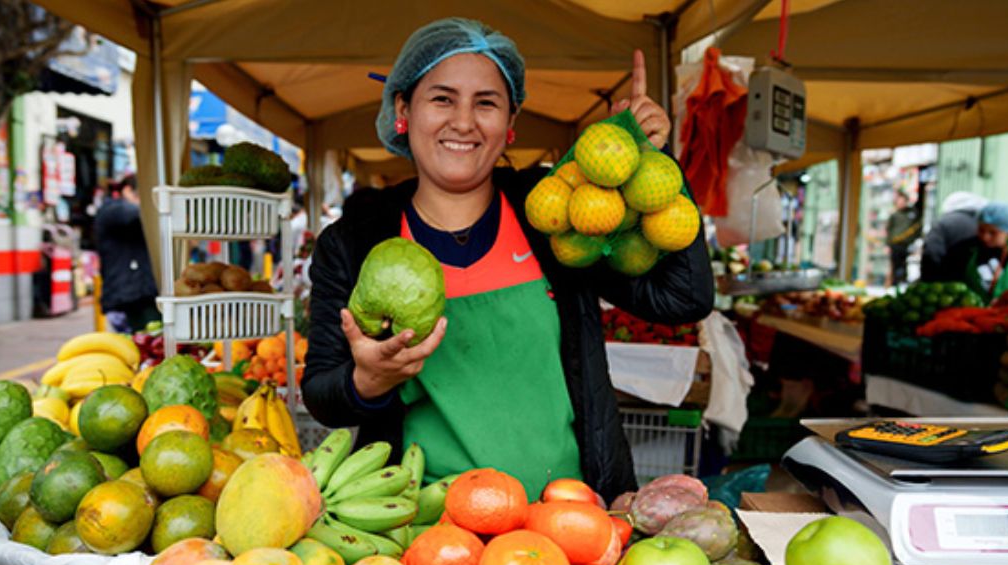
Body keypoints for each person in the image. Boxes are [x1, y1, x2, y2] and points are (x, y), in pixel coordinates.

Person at [302, 18, 714, 502]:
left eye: (486, 103)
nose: (463, 121)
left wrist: (658, 168)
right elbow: (322, 393)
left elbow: (683, 297)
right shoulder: (355, 241)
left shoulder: (553, 215)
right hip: (421, 532)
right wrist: (368, 380)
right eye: (442, 98)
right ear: (402, 108)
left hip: (569, 522)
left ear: (510, 123)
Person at [936, 201, 1008, 302]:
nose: (985, 237)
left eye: (993, 233)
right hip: (966, 313)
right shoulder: (962, 250)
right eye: (981, 230)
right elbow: (947, 284)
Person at [94, 174, 160, 333]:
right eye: (139, 196)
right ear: (127, 190)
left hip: (142, 294)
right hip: (129, 298)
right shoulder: (113, 209)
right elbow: (133, 214)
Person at [921, 191, 985, 280]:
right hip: (974, 278)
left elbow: (932, 252)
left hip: (947, 277)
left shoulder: (943, 222)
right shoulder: (981, 224)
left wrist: (928, 279)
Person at [884, 190, 921, 285]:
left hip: (907, 244)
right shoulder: (894, 215)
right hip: (895, 243)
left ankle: (903, 282)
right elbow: (889, 230)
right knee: (895, 265)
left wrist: (914, 241)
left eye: (903, 201)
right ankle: (894, 283)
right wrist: (887, 244)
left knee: (906, 265)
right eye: (899, 201)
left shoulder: (913, 213)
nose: (901, 203)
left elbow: (917, 228)